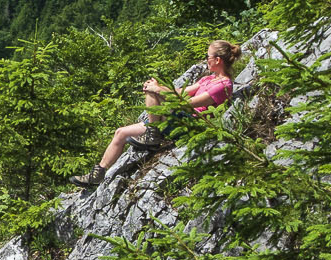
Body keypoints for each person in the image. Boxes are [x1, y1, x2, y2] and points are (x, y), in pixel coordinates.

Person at [71, 39, 241, 187]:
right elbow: (180, 92)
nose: (206, 60)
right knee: (120, 133)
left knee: (153, 93)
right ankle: (97, 174)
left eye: (208, 57)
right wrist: (159, 86)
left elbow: (188, 104)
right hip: (175, 119)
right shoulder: (209, 79)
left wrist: (156, 90)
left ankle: (153, 135)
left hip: (190, 124)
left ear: (217, 60)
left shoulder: (223, 85)